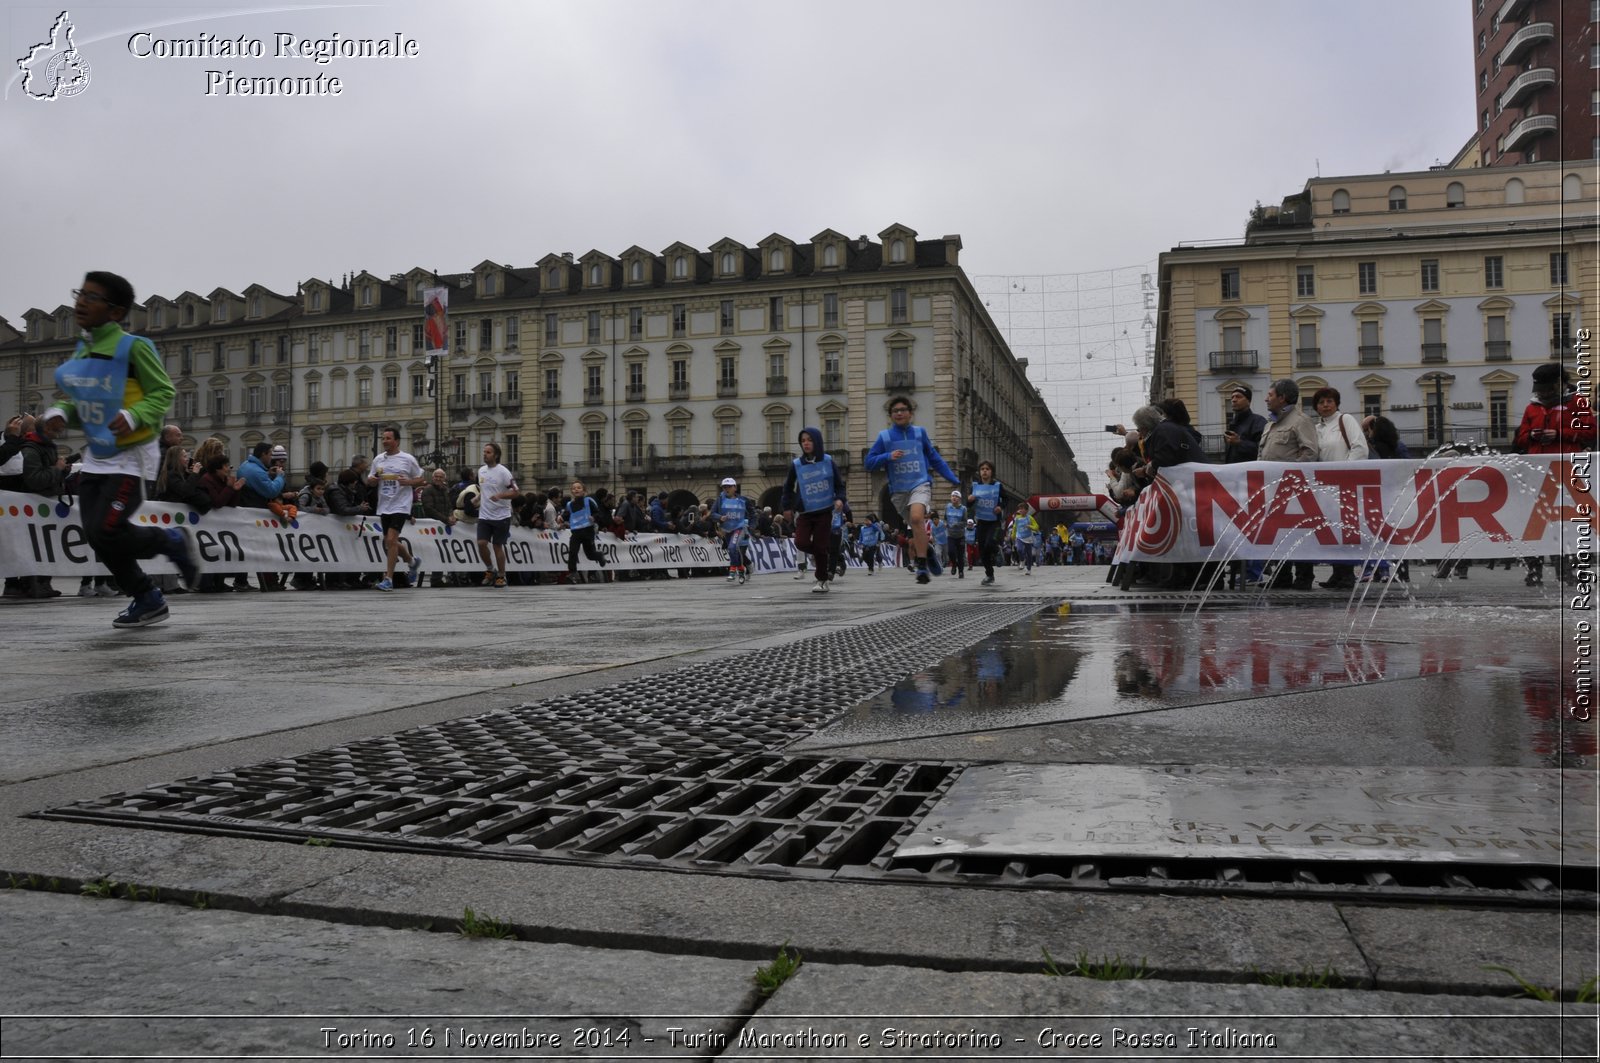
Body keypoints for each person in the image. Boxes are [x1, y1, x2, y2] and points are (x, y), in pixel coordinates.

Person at [40, 273, 199, 627]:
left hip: (132, 454)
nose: (81, 302)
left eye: (92, 297)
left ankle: (171, 540)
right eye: (80, 293)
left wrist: (134, 414)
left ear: (115, 312)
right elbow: (87, 406)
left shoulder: (134, 347)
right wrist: (61, 414)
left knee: (108, 530)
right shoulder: (83, 350)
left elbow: (162, 393)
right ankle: (146, 598)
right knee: (98, 537)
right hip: (97, 454)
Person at [864, 395, 960, 586]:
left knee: (917, 519)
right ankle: (929, 552)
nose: (899, 413)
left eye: (903, 410)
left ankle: (922, 566)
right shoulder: (885, 437)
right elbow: (868, 462)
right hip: (898, 491)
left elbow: (934, 458)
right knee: (916, 529)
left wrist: (952, 478)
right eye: (895, 411)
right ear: (891, 415)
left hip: (920, 484)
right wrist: (887, 456)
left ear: (910, 413)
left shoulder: (919, 433)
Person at [1515, 363, 1597, 586]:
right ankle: (1534, 571)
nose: (1542, 393)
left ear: (1559, 384)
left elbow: (1590, 431)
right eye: (1539, 389)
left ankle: (1565, 571)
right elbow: (1520, 438)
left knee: (1565, 524)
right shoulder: (1532, 408)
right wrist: (1533, 435)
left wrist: (1560, 434)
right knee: (1535, 524)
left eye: (1547, 389)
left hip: (1566, 473)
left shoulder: (1577, 402)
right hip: (1538, 473)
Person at [1257, 378, 1320, 590]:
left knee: (1298, 533)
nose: (1266, 399)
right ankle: (1282, 575)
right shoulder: (1270, 424)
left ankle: (1304, 577)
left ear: (1282, 398)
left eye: (1271, 395)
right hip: (1271, 490)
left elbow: (1310, 452)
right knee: (1278, 534)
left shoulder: (1301, 421)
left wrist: (1289, 474)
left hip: (1294, 490)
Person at [1311, 387, 1368, 590]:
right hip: (1325, 487)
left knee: (1346, 530)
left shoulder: (1346, 420)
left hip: (1344, 484)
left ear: (1336, 403)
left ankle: (1347, 575)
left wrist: (1344, 471)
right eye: (1321, 402)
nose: (1325, 405)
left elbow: (1360, 447)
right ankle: (1337, 573)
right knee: (1333, 531)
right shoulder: (1317, 428)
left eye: (1329, 401)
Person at [780, 426, 847, 594]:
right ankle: (822, 554)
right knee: (800, 542)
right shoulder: (796, 464)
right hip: (804, 512)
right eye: (803, 441)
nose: (806, 444)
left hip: (824, 511)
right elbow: (788, 487)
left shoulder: (828, 461)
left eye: (809, 440)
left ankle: (822, 579)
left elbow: (840, 486)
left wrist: (839, 499)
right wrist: (787, 507)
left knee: (820, 544)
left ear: (817, 441)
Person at [366, 425, 425, 592]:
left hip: (401, 504)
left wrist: (409, 482)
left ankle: (388, 579)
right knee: (389, 542)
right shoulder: (378, 460)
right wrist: (373, 480)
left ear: (396, 441)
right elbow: (370, 480)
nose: (384, 441)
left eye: (388, 438)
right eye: (383, 438)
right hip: (384, 505)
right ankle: (412, 562)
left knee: (391, 540)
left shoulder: (407, 459)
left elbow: (421, 479)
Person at [475, 442, 519, 588]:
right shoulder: (481, 471)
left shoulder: (503, 472)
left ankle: (501, 575)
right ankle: (490, 569)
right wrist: (478, 498)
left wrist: (500, 495)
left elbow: (515, 492)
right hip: (485, 514)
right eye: (484, 452)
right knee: (481, 543)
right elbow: (485, 489)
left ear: (496, 455)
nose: (484, 454)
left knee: (497, 546)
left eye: (488, 452)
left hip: (501, 515)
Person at [563, 479, 609, 585]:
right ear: (571, 491)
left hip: (588, 531)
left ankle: (599, 556)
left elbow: (598, 513)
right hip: (576, 532)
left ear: (584, 491)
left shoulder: (589, 501)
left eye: (579, 488)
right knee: (572, 551)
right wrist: (561, 518)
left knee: (590, 555)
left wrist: (594, 517)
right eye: (574, 488)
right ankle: (573, 572)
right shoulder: (569, 504)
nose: (576, 489)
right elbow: (566, 515)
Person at [968, 459, 1005, 586]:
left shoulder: (997, 486)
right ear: (979, 472)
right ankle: (989, 574)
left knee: (990, 543)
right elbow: (969, 504)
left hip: (994, 522)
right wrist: (970, 499)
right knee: (982, 550)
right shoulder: (975, 486)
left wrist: (1000, 506)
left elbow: (1006, 500)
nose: (984, 471)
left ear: (991, 472)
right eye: (982, 469)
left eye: (987, 469)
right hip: (981, 521)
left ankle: (997, 550)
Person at [711, 476, 754, 584]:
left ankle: (732, 571)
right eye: (724, 487)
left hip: (740, 529)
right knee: (733, 550)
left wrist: (752, 525)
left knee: (733, 548)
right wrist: (720, 517)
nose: (726, 489)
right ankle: (742, 569)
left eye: (729, 486)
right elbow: (712, 513)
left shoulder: (743, 500)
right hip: (727, 530)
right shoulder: (720, 500)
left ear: (735, 487)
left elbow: (753, 513)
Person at [420, 468, 455, 587]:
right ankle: (435, 579)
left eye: (441, 477)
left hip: (444, 525)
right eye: (436, 476)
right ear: (432, 477)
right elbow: (429, 509)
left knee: (443, 551)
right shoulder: (428, 490)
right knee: (436, 552)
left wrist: (451, 515)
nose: (438, 479)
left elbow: (450, 505)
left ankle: (439, 578)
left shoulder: (445, 490)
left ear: (444, 479)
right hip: (433, 526)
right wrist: (445, 519)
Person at [1008, 503, 1040, 575]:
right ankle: (1022, 560)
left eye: (1022, 509)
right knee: (1019, 549)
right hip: (1019, 537)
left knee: (1029, 554)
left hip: (1028, 537)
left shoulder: (1030, 518)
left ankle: (1029, 569)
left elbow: (1036, 526)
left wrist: (1030, 527)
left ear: (1026, 510)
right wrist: (1013, 535)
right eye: (1020, 509)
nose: (1020, 510)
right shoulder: (1017, 518)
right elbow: (1015, 527)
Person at [944, 490, 968, 579]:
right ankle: (954, 564)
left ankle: (961, 572)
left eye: (956, 496)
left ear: (959, 499)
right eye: (952, 496)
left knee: (960, 555)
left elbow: (965, 522)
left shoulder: (963, 509)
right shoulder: (947, 507)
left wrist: (957, 524)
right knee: (950, 551)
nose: (954, 498)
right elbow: (945, 518)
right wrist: (945, 523)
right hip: (950, 534)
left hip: (960, 535)